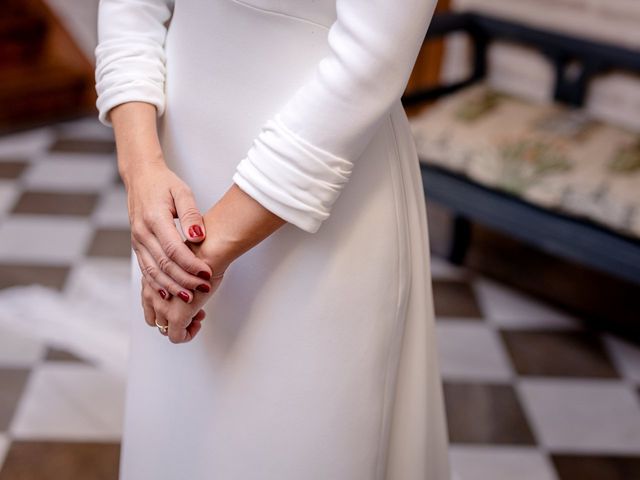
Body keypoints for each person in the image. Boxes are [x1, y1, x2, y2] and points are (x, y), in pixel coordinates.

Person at [94, 0, 452, 478]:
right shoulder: (159, 191)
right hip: (176, 183)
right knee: (174, 438)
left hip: (324, 196)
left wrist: (204, 253)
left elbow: (372, 60)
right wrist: (141, 172)